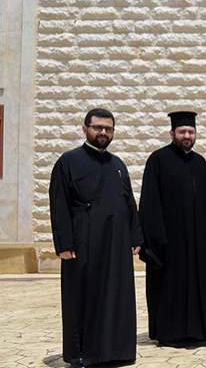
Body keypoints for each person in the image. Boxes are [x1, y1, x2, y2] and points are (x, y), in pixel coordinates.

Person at [50, 108, 142, 368]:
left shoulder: (118, 165)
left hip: (116, 243)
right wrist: (64, 243)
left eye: (108, 129)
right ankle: (82, 353)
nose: (103, 132)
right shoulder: (68, 161)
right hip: (83, 243)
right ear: (85, 129)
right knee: (83, 298)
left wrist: (135, 235)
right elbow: (59, 204)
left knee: (116, 296)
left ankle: (117, 351)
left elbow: (129, 202)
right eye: (98, 127)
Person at [139, 111, 206, 346]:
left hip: (197, 243)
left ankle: (198, 331)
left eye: (191, 132)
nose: (187, 136)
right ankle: (171, 333)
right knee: (170, 288)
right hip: (169, 242)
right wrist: (156, 239)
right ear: (172, 133)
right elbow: (150, 203)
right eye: (182, 131)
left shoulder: (200, 163)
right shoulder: (158, 160)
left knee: (197, 286)